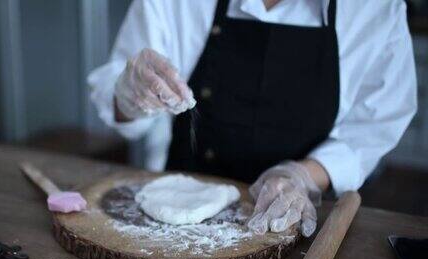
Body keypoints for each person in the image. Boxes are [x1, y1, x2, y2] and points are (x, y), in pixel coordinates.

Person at [87, 0, 417, 237]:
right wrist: (130, 93)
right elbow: (122, 111)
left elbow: (375, 126)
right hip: (178, 223)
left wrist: (301, 175)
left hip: (300, 227)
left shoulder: (376, 10)